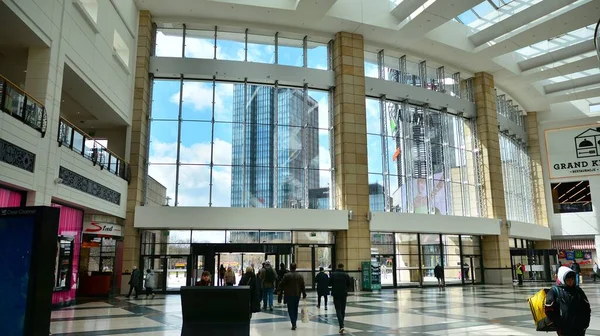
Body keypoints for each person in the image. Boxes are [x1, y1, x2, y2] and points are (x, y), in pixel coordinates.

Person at [545, 266, 591, 336]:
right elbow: (549, 310)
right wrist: (558, 324)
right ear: (562, 278)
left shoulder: (578, 291)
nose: (570, 281)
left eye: (572, 279)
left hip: (579, 328)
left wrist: (585, 323)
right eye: (568, 279)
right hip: (564, 329)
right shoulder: (554, 291)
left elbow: (586, 308)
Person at [278, 263, 307, 330]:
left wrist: (279, 290)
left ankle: (293, 323)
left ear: (290, 268)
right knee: (295, 308)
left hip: (289, 294)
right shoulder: (300, 276)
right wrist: (304, 293)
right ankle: (294, 322)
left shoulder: (286, 276)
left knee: (290, 309)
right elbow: (303, 286)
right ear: (295, 268)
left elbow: (281, 283)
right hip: (297, 294)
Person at [330, 263, 352, 334]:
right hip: (343, 294)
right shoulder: (346, 275)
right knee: (343, 309)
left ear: (337, 267)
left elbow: (329, 283)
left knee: (338, 310)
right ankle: (342, 324)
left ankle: (341, 325)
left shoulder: (333, 274)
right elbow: (349, 284)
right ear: (343, 267)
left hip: (336, 294)